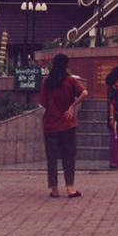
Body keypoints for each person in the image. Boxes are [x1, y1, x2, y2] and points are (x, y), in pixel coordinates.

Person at [38, 53, 88, 198]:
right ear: (66, 65)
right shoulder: (70, 80)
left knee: (52, 158)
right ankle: (70, 188)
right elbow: (85, 93)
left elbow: (42, 103)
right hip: (67, 123)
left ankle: (54, 189)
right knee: (69, 156)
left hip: (50, 124)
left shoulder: (48, 81)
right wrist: (72, 106)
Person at [105, 66, 118, 169]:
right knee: (114, 139)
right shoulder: (112, 88)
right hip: (115, 116)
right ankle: (114, 162)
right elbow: (111, 103)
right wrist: (112, 118)